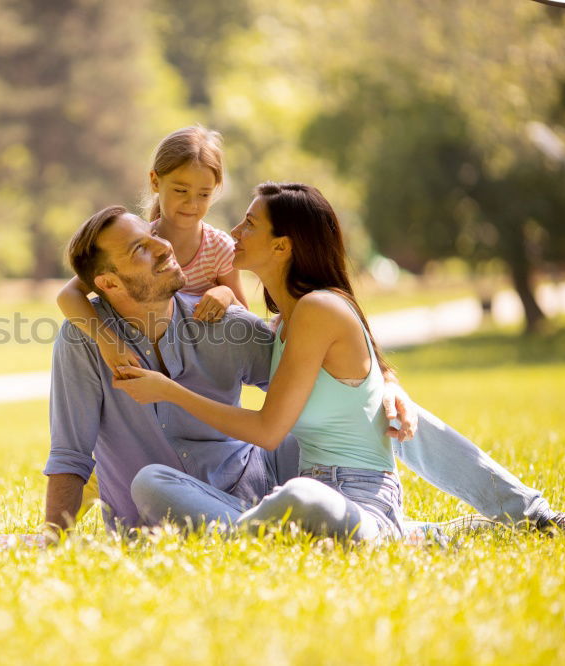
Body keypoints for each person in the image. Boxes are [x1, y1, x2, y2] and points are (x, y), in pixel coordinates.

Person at [43, 202, 565, 537]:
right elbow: (70, 454)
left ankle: (526, 510)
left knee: (371, 408)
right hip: (173, 505)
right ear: (109, 285)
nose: (164, 246)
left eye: (154, 235)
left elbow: (333, 371)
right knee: (149, 482)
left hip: (261, 479)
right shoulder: (83, 342)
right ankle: (402, 532)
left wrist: (389, 385)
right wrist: (53, 541)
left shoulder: (220, 324)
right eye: (141, 249)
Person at [113, 183, 408, 540]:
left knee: (302, 496)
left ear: (281, 246)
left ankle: (250, 529)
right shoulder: (286, 320)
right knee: (149, 483)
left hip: (355, 499)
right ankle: (261, 528)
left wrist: (170, 392)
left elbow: (267, 432)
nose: (235, 232)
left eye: (249, 224)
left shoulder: (318, 308)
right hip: (298, 483)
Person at [57, 126, 248, 377]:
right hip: (145, 362)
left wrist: (224, 293)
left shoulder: (219, 248)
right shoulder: (136, 243)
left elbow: (245, 321)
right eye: (181, 190)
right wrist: (108, 342)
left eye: (204, 194)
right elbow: (68, 295)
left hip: (200, 371)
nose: (192, 204)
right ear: (155, 181)